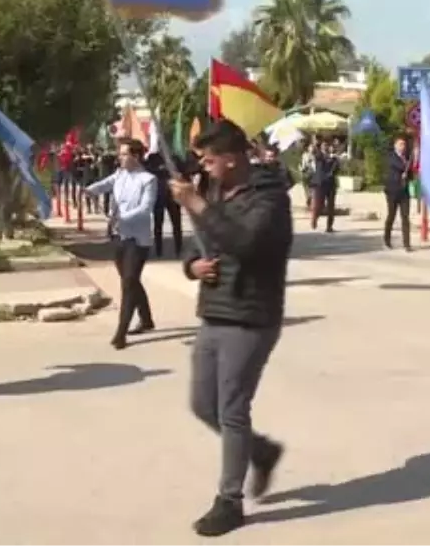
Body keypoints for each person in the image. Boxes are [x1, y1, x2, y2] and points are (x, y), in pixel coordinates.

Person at [169, 118, 292, 537]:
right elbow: (200, 241)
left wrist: (196, 204)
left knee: (232, 408)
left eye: (208, 160)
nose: (203, 169)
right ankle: (260, 451)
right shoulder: (217, 191)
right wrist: (192, 265)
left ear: (233, 159)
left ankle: (229, 501)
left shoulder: (270, 196)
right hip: (214, 311)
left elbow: (247, 244)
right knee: (203, 405)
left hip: (251, 316)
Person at [86, 138, 157, 348]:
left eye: (124, 154)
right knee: (130, 279)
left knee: (128, 283)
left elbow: (146, 209)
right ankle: (146, 318)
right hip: (118, 235)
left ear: (135, 156)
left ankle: (121, 332)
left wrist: (122, 218)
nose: (120, 157)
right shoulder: (120, 175)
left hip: (138, 239)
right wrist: (90, 190)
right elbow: (105, 185)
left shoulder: (148, 179)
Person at [144, 150, 184, 258]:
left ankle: (179, 249)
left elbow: (183, 171)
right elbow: (147, 170)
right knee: (158, 224)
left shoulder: (175, 158)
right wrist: (160, 169)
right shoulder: (153, 157)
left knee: (176, 223)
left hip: (173, 195)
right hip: (159, 194)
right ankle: (158, 250)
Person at [383, 134, 414, 251]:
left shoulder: (406, 158)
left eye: (404, 144)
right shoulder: (391, 157)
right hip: (392, 191)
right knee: (391, 216)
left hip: (404, 192)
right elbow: (398, 166)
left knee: (405, 217)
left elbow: (409, 173)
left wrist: (409, 174)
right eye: (400, 144)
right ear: (395, 145)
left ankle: (407, 243)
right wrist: (407, 167)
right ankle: (387, 240)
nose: (403, 147)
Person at [309, 141, 340, 232]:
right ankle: (315, 218)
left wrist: (336, 160)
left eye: (328, 145)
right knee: (319, 205)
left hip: (330, 184)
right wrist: (314, 144)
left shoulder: (334, 158)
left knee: (331, 206)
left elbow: (337, 169)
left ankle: (329, 226)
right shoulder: (319, 155)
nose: (326, 147)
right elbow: (315, 154)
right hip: (320, 183)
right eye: (324, 145)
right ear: (321, 147)